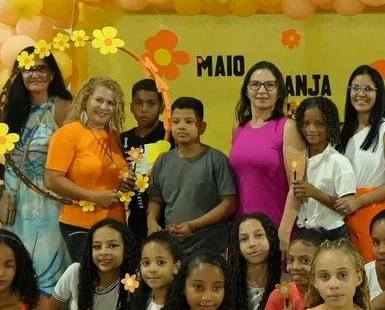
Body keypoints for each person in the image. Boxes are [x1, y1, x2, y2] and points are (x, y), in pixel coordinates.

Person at [0, 46, 73, 296]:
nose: (34, 74)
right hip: (13, 209)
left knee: (46, 273)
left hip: (48, 207)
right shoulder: (11, 109)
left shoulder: (63, 107)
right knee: (14, 268)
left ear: (52, 74)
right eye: (28, 68)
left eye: (41, 68)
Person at [44, 76, 132, 262]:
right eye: (99, 100)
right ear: (85, 100)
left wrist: (123, 185)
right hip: (80, 225)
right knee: (88, 282)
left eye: (111, 103)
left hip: (115, 226)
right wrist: (93, 196)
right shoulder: (67, 134)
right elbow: (52, 180)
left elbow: (107, 178)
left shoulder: (113, 136)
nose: (104, 107)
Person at [147, 97, 239, 257]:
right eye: (176, 122)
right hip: (174, 249)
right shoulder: (163, 161)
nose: (181, 127)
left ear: (202, 127)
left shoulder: (216, 160)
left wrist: (192, 226)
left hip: (210, 247)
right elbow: (156, 199)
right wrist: (152, 223)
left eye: (189, 122)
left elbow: (229, 204)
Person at [230, 61, 308, 244]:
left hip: (277, 228)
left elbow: (297, 185)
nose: (262, 91)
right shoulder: (238, 128)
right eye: (255, 84)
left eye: (270, 85)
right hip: (243, 231)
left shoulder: (287, 127)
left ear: (279, 91)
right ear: (246, 90)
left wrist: (285, 231)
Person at [338, 65, 385, 262]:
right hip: (344, 218)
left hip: (376, 216)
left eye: (368, 89)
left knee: (376, 279)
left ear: (379, 93)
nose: (361, 94)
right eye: (355, 88)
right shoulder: (342, 132)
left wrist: (359, 201)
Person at [290, 96, 356, 240]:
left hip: (332, 232)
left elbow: (347, 208)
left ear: (331, 125)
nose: (311, 129)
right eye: (306, 123)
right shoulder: (296, 159)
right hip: (303, 232)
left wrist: (315, 192)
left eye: (319, 124)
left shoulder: (339, 162)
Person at [120, 78, 174, 241]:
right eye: (138, 103)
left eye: (151, 104)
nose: (144, 109)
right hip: (135, 217)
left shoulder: (171, 137)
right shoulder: (123, 140)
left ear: (161, 108)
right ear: (131, 107)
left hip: (168, 217)